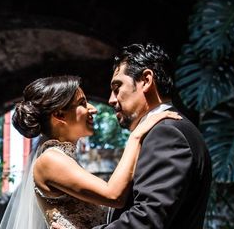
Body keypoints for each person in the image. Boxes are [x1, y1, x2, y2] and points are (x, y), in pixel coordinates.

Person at [0, 74, 181, 229]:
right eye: (82, 103)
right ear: (59, 115)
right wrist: (136, 136)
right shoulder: (50, 160)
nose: (92, 109)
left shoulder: (62, 157)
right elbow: (114, 196)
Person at [64, 43, 212, 229]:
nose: (111, 99)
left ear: (146, 80)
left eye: (117, 87)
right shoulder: (168, 129)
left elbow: (148, 220)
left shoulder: (167, 133)